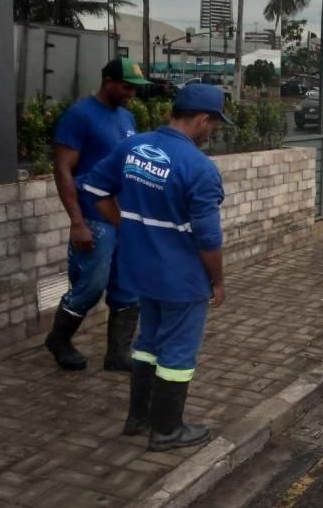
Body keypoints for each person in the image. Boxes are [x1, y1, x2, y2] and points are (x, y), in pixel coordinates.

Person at [79, 84, 230, 451]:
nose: (211, 132)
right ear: (201, 119)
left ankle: (139, 417)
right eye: (213, 125)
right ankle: (166, 431)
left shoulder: (132, 148)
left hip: (140, 269)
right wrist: (218, 280)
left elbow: (94, 190)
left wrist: (126, 226)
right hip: (181, 277)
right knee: (178, 352)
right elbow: (209, 239)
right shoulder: (199, 168)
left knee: (148, 341)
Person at [47, 57, 150, 372]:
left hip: (123, 219)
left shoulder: (126, 118)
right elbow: (63, 170)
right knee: (91, 286)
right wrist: (77, 222)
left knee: (129, 288)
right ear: (109, 82)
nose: (131, 93)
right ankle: (59, 340)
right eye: (127, 87)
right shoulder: (80, 116)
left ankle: (118, 354)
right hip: (94, 219)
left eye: (135, 88)